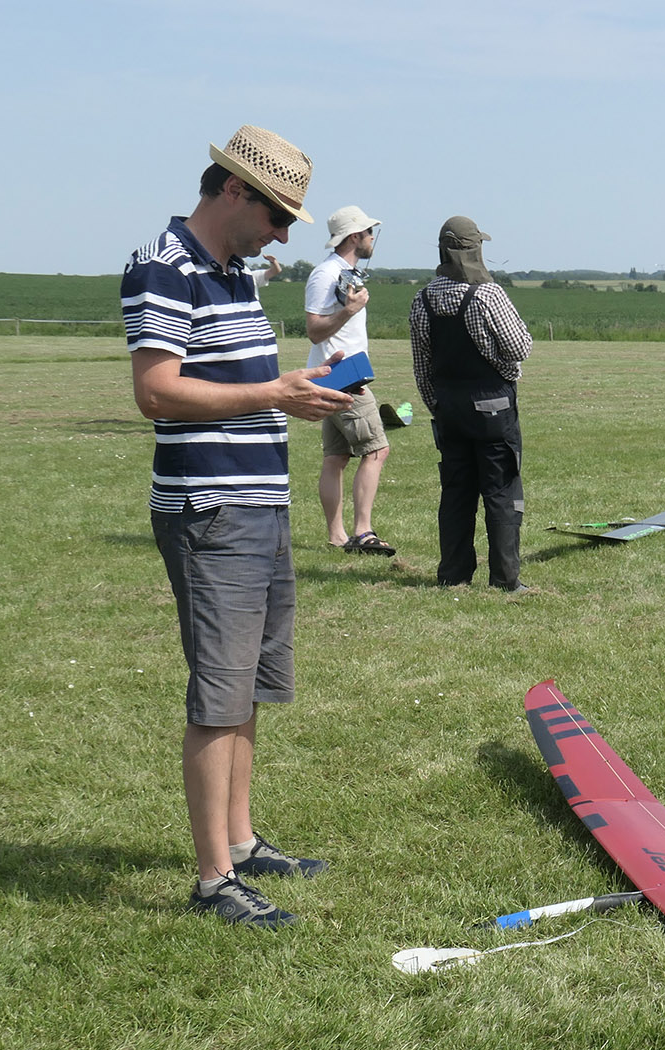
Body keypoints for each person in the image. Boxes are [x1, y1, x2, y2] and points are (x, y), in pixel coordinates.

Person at [122, 124, 354, 928]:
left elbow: (243, 382)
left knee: (248, 685)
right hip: (210, 511)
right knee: (217, 696)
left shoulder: (235, 274)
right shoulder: (163, 266)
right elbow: (156, 391)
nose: (284, 234)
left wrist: (303, 387)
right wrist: (272, 396)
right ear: (232, 191)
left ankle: (243, 841)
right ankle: (214, 878)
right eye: (279, 215)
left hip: (259, 505)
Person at [408, 216, 535, 592]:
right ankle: (506, 579)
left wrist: (438, 404)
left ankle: (453, 574)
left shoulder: (423, 299)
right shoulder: (488, 295)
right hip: (493, 406)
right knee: (500, 491)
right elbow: (520, 347)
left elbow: (421, 366)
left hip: (448, 408)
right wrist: (502, 367)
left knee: (456, 492)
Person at [305, 205, 395, 555]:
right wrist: (349, 310)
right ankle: (363, 532)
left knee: (337, 458)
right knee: (377, 450)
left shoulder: (344, 272)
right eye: (369, 232)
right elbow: (314, 330)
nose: (373, 238)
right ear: (355, 237)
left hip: (334, 377)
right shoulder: (325, 274)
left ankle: (336, 536)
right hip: (344, 378)